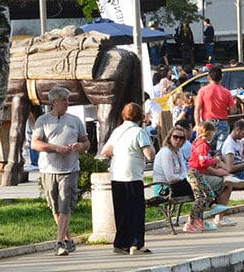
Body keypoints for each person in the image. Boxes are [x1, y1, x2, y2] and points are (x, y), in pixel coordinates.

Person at [31, 87, 88, 257]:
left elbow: (86, 142)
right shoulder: (43, 121)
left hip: (70, 169)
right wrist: (56, 148)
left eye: (67, 100)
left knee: (65, 206)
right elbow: (35, 144)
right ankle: (68, 239)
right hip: (48, 170)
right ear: (54, 102)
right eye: (64, 100)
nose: (67, 103)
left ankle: (59, 242)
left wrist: (80, 146)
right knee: (55, 207)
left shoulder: (75, 120)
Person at [101, 102, 155, 255]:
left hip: (117, 175)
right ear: (140, 116)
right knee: (136, 211)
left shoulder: (117, 131)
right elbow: (149, 155)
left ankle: (120, 243)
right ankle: (137, 244)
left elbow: (105, 151)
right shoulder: (139, 132)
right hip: (132, 175)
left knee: (122, 211)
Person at [193, 65, 235, 150]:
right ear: (221, 78)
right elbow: (233, 110)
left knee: (204, 148)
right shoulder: (226, 92)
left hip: (208, 123)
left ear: (208, 77)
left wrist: (197, 124)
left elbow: (197, 109)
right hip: (223, 122)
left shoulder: (203, 91)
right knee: (221, 150)